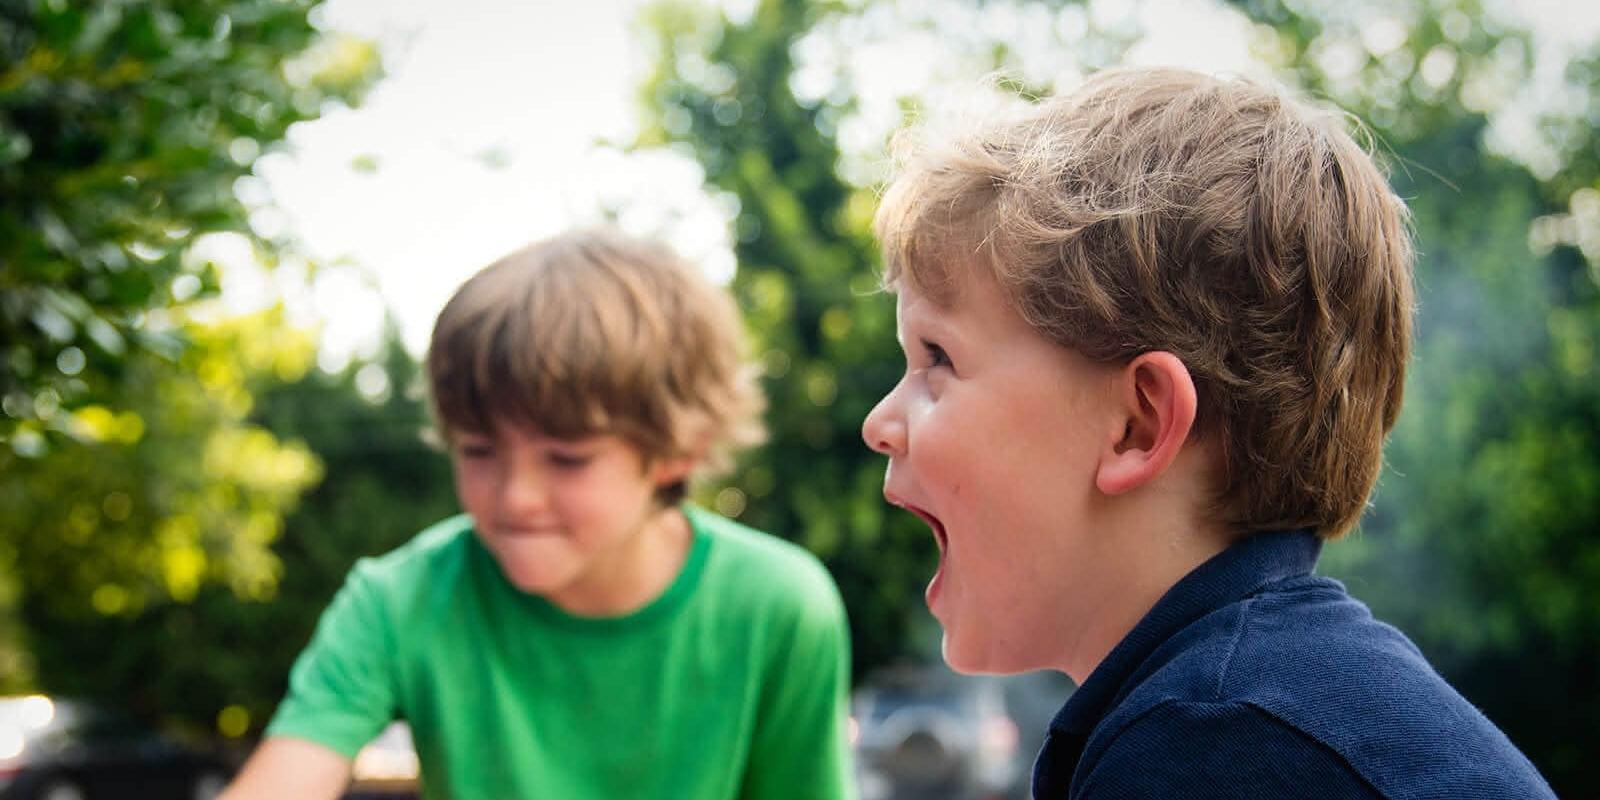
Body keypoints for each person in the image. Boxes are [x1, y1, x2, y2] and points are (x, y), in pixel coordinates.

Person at [860, 67, 1555, 799]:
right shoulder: (1268, 700)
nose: (880, 424)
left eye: (938, 359)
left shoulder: (1212, 745)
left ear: (1139, 424)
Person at [221, 228, 856, 799]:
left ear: (676, 451)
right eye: (477, 450)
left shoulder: (780, 606)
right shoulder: (399, 600)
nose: (515, 496)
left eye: (567, 458)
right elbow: (290, 772)